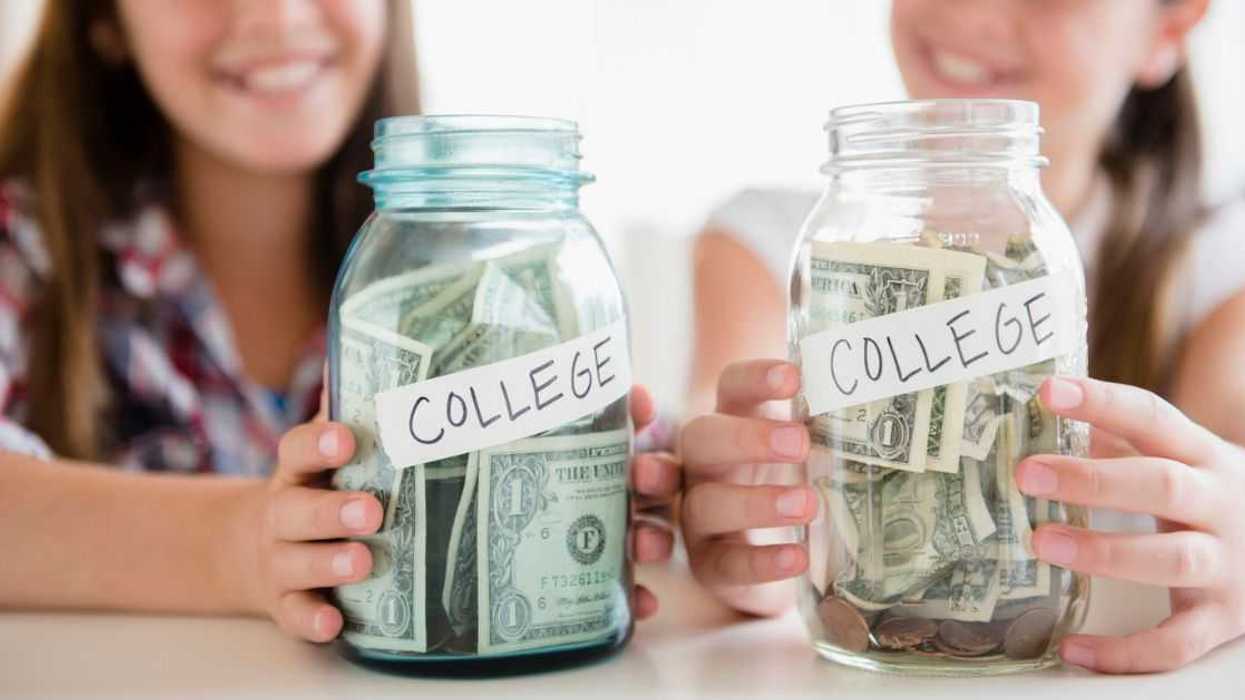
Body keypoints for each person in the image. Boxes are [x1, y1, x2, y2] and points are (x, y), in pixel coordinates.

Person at [0, 0, 674, 640]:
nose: (277, 15)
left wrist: (718, 504)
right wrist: (241, 545)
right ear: (104, 22)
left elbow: (648, 465)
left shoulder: (494, 267)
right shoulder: (22, 248)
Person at [680, 0, 1245, 673]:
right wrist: (746, 538)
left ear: (1169, 27)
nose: (972, 12)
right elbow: (735, 472)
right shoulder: (771, 242)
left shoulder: (1223, 266)